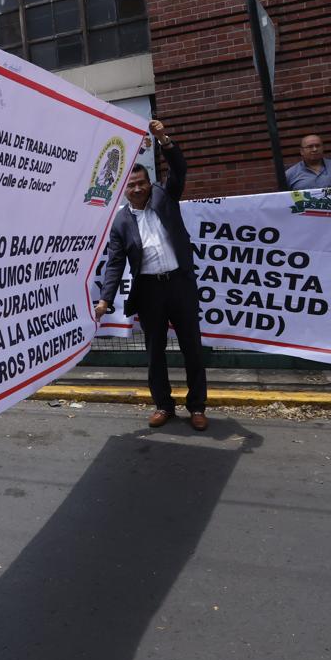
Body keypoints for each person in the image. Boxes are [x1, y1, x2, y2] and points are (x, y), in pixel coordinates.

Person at [94, 120, 208, 431]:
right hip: (149, 292)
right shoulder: (119, 223)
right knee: (154, 351)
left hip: (180, 284)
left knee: (192, 348)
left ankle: (197, 406)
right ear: (123, 189)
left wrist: (163, 139)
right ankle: (163, 405)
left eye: (141, 182)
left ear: (149, 182)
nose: (137, 188)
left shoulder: (165, 197)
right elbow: (115, 263)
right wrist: (105, 300)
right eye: (130, 185)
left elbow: (179, 169)